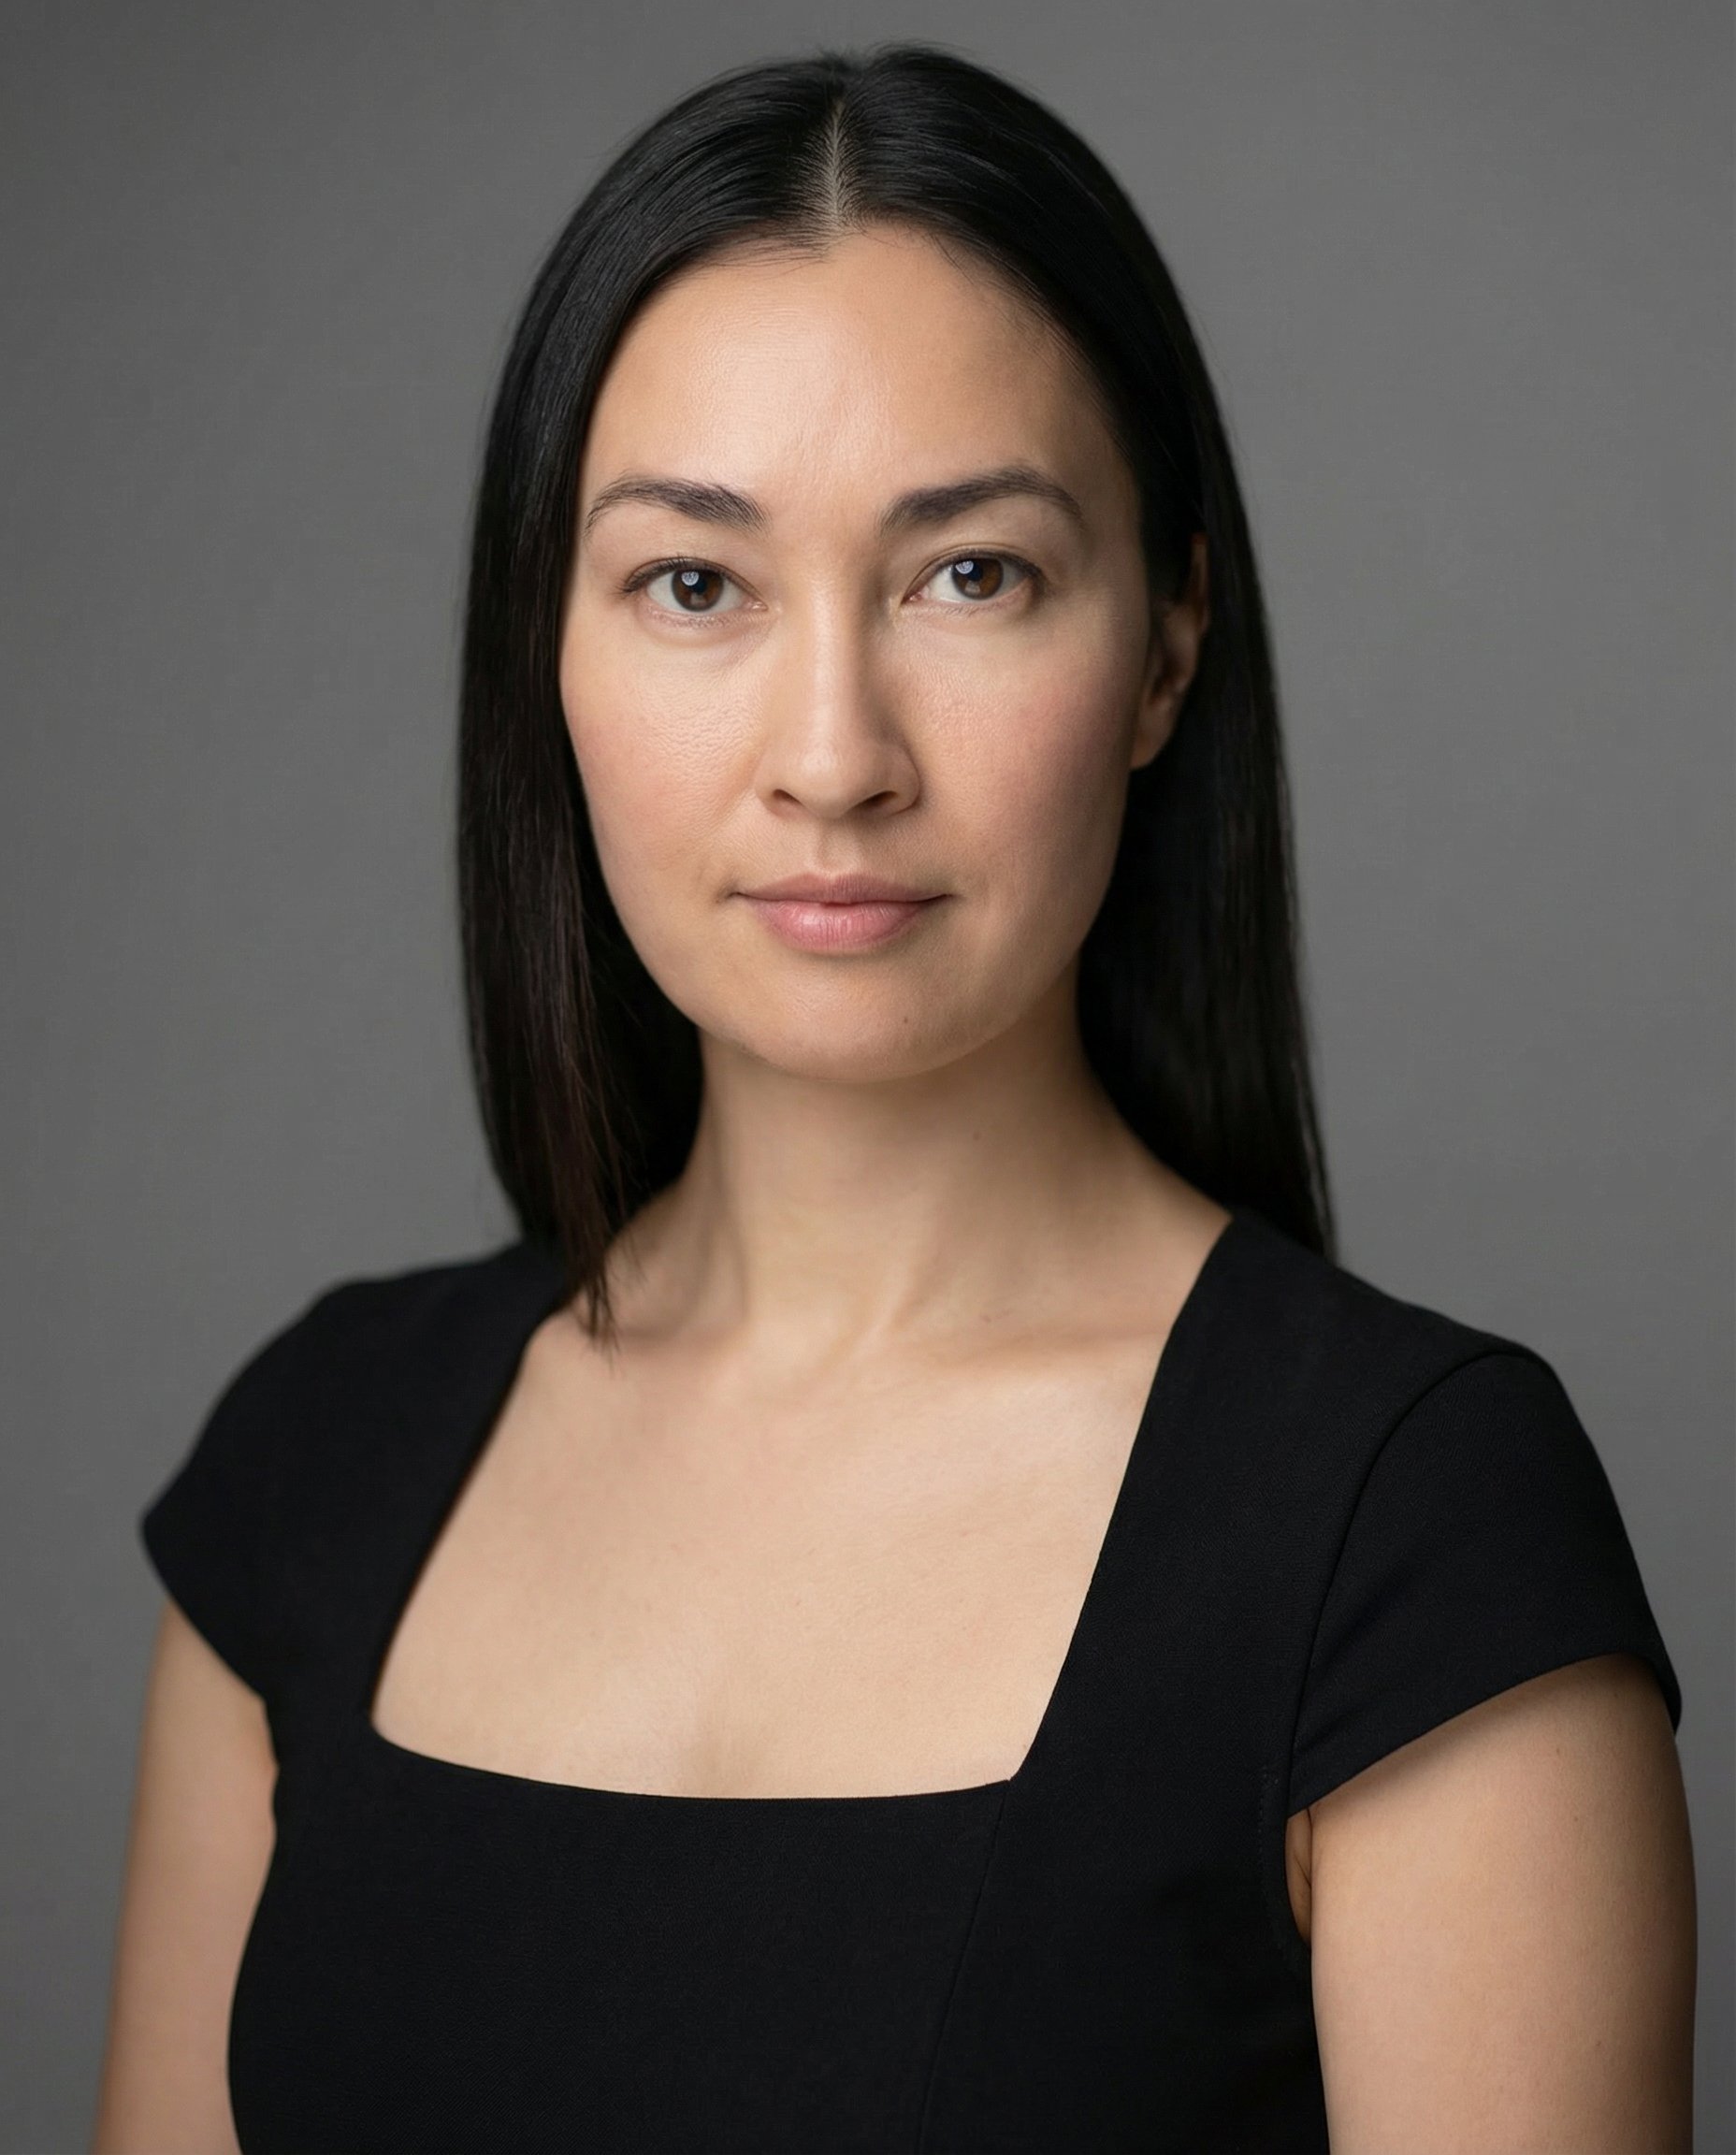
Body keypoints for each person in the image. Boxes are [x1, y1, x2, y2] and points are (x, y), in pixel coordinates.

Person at [93, 40, 1696, 2154]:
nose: (835, 756)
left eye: (972, 574)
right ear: (546, 653)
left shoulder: (1408, 1529)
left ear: (1167, 646)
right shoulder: (315, 1461)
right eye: (695, 585)